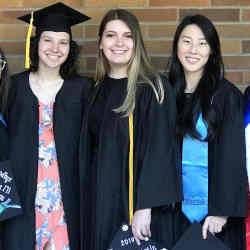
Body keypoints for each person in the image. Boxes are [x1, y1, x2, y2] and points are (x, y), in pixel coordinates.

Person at [79, 8, 182, 250]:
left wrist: (145, 208)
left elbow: (161, 150)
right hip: (102, 201)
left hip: (137, 207)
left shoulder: (153, 88)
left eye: (127, 36)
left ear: (137, 43)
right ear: (100, 43)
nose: (119, 43)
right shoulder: (95, 90)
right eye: (111, 35)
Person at [2, 3, 92, 250]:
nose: (55, 48)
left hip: (67, 197)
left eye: (63, 42)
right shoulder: (13, 87)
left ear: (70, 48)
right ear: (36, 43)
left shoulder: (83, 89)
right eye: (48, 40)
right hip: (23, 195)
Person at [167, 14, 247, 249]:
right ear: (176, 46)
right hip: (173, 212)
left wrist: (222, 211)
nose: (193, 50)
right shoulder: (166, 93)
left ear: (212, 50)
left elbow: (233, 157)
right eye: (187, 41)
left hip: (214, 217)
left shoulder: (226, 95)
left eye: (202, 43)